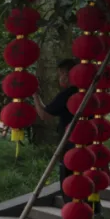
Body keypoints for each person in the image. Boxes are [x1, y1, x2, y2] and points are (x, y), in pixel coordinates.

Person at [35, 59, 90, 204]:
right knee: (87, 177)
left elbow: (45, 114)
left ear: (67, 74)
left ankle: (75, 215)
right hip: (90, 144)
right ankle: (92, 210)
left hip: (71, 145)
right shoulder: (90, 91)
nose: (59, 78)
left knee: (71, 180)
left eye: (61, 74)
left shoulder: (67, 95)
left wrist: (35, 95)